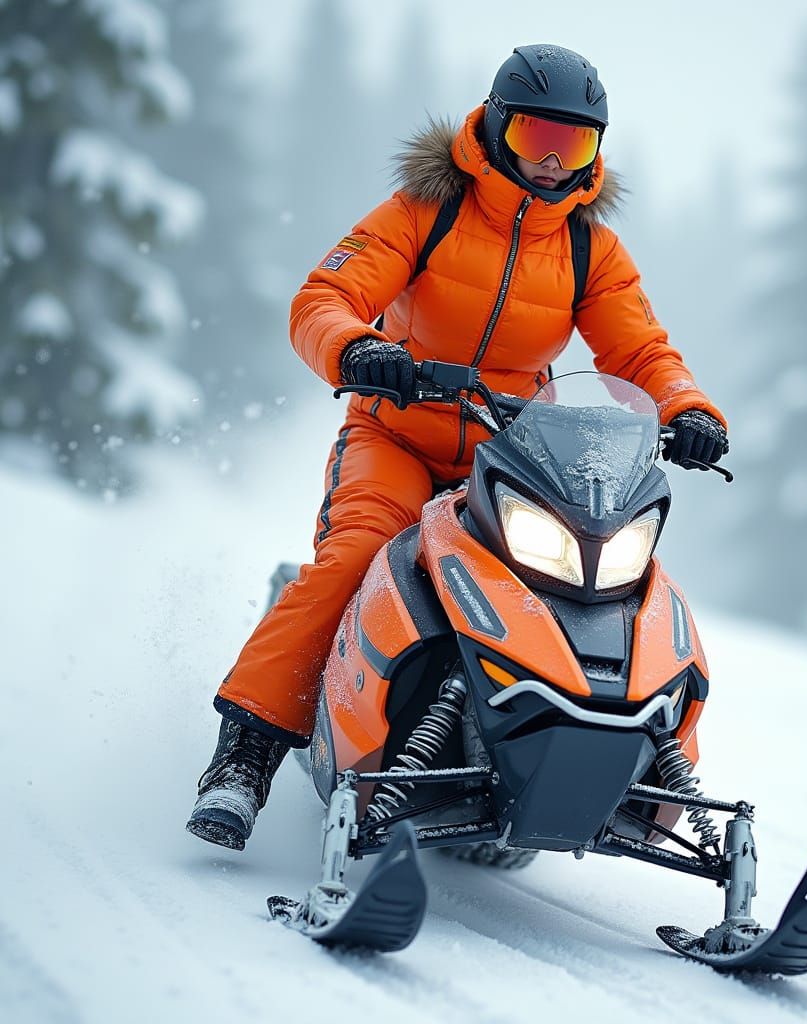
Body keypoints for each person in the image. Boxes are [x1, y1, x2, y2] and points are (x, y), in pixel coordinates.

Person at [186, 43, 728, 851]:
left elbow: (641, 349)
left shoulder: (588, 248)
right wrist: (358, 349)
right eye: (539, 137)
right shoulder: (426, 209)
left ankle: (624, 778)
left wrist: (686, 408)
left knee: (598, 581)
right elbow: (325, 296)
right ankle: (245, 759)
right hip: (396, 433)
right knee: (358, 555)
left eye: (574, 143)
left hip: (512, 456)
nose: (553, 162)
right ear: (499, 128)